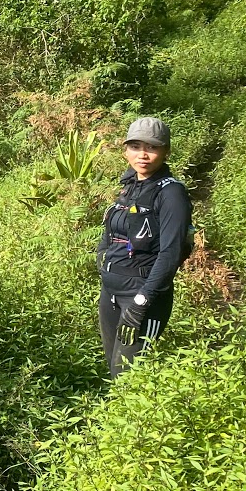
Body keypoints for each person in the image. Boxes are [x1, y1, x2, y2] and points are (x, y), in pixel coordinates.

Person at [96, 116, 192, 378]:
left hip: (141, 296)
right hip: (111, 293)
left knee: (127, 375)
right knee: (113, 370)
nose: (143, 155)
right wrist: (101, 256)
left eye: (152, 147)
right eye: (136, 146)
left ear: (166, 151)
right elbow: (111, 230)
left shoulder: (171, 194)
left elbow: (171, 253)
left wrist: (141, 302)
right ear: (125, 150)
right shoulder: (130, 186)